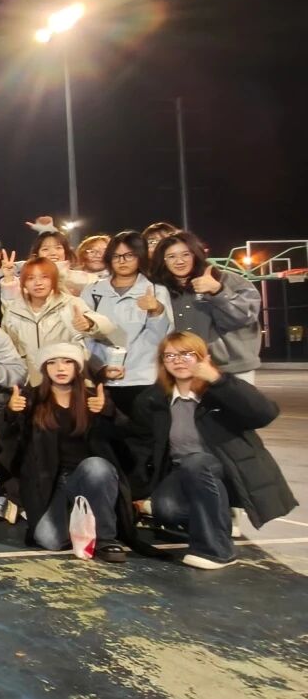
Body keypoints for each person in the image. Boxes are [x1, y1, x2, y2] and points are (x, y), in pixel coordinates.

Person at [129, 332, 297, 569]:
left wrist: (218, 380)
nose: (178, 360)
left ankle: (217, 551)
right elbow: (142, 443)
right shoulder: (153, 399)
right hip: (181, 470)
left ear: (204, 358)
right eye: (170, 356)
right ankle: (219, 514)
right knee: (166, 509)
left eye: (186, 354)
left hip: (225, 467)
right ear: (162, 362)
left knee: (196, 462)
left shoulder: (220, 390)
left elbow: (265, 413)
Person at [0, 344, 129, 562]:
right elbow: (9, 441)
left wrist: (108, 412)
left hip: (88, 476)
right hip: (51, 482)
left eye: (67, 362)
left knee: (97, 466)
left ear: (77, 367)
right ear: (44, 369)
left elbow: (125, 436)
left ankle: (106, 539)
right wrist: (11, 413)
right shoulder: (31, 399)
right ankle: (77, 517)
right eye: (52, 363)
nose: (60, 368)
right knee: (50, 540)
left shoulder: (93, 398)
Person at [80, 231, 174, 417]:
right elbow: (83, 338)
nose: (122, 261)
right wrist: (99, 368)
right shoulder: (93, 291)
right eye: (116, 256)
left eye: (129, 255)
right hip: (102, 381)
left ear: (141, 256)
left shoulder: (156, 290)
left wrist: (156, 311)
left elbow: (162, 339)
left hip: (144, 380)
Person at [149, 231, 261, 382]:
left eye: (186, 254)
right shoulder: (160, 290)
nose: (179, 261)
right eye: (171, 256)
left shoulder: (229, 280)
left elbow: (246, 317)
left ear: (196, 254)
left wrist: (218, 291)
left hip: (231, 369)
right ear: (163, 261)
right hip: (183, 369)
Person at [0, 257, 120, 386]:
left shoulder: (70, 303)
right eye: (31, 278)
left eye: (44, 277)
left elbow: (107, 327)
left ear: (54, 279)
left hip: (70, 383)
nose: (38, 283)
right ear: (23, 283)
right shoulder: (13, 312)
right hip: (33, 384)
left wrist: (89, 323)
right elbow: (9, 351)